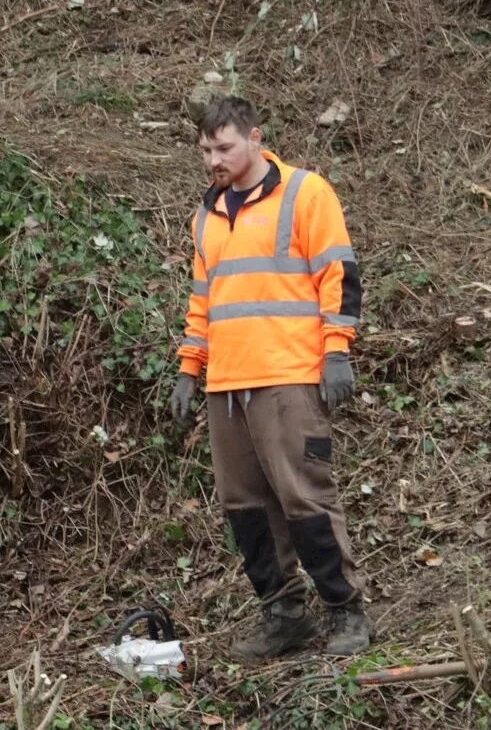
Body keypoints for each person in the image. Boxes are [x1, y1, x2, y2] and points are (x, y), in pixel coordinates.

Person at [169, 97, 372, 662]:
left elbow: (339, 274)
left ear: (255, 139)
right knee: (245, 507)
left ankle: (345, 610)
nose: (215, 159)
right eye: (206, 150)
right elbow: (202, 300)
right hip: (227, 385)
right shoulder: (206, 216)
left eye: (225, 147)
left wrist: (337, 351)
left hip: (288, 375)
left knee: (305, 497)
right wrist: (190, 368)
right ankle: (284, 614)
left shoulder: (306, 193)